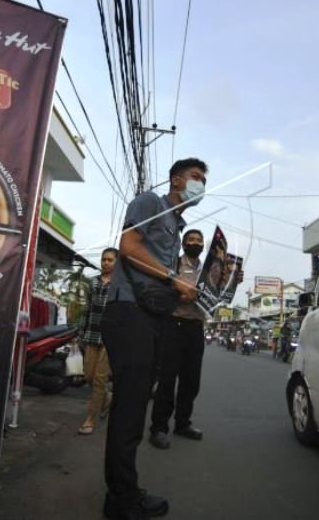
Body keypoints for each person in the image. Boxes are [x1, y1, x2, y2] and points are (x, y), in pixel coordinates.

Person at [100, 158, 206, 520]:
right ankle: (122, 500)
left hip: (149, 317)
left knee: (133, 406)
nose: (201, 185)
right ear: (177, 179)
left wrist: (181, 288)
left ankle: (121, 492)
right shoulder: (150, 203)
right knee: (130, 410)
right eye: (196, 178)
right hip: (128, 313)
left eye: (204, 180)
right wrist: (172, 277)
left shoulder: (177, 226)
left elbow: (157, 277)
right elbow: (128, 247)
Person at [149, 229, 207, 449]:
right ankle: (159, 428)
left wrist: (234, 282)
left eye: (198, 240)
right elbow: (162, 290)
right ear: (183, 243)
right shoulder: (173, 263)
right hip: (173, 324)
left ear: (203, 245)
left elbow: (217, 293)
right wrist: (181, 295)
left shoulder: (209, 269)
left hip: (196, 327)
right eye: (190, 240)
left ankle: (183, 423)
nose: (194, 243)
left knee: (191, 381)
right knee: (167, 379)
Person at [78, 248, 118, 435]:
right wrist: (80, 335)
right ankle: (107, 399)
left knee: (100, 379)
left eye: (110, 260)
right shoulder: (93, 282)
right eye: (104, 259)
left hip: (110, 339)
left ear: (117, 262)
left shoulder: (120, 285)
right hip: (91, 335)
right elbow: (86, 310)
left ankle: (90, 419)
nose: (106, 262)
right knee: (88, 376)